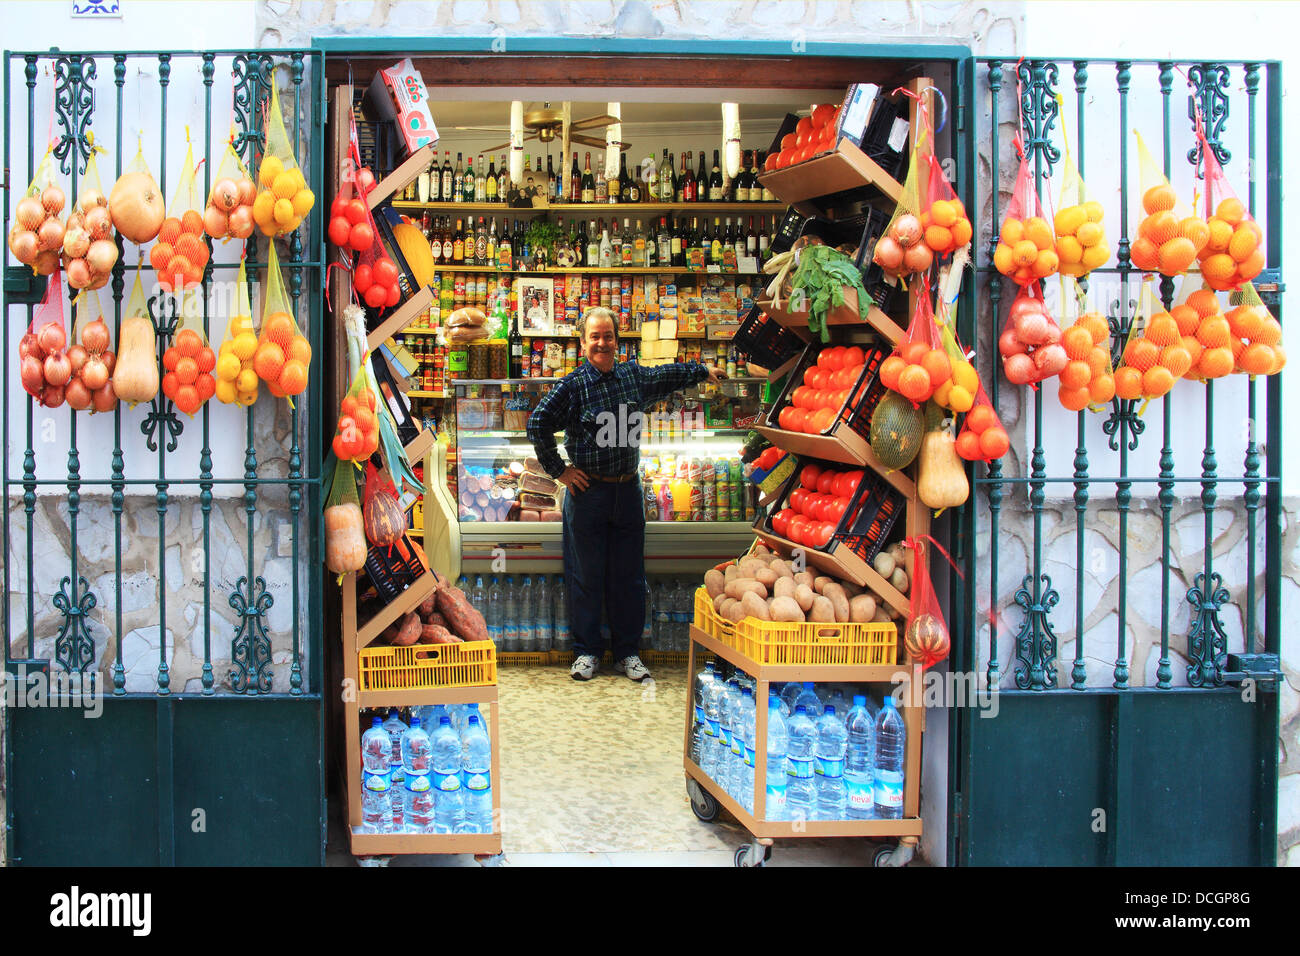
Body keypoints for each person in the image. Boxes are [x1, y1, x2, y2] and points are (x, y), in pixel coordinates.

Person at [526, 307, 724, 681]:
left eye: (609, 336)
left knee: (629, 576)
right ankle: (586, 653)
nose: (602, 343)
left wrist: (702, 370)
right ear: (583, 342)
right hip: (588, 494)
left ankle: (627, 653)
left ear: (618, 341)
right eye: (595, 336)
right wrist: (561, 472)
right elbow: (537, 424)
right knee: (585, 575)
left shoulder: (632, 376)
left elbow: (666, 376)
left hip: (627, 489)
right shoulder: (572, 386)